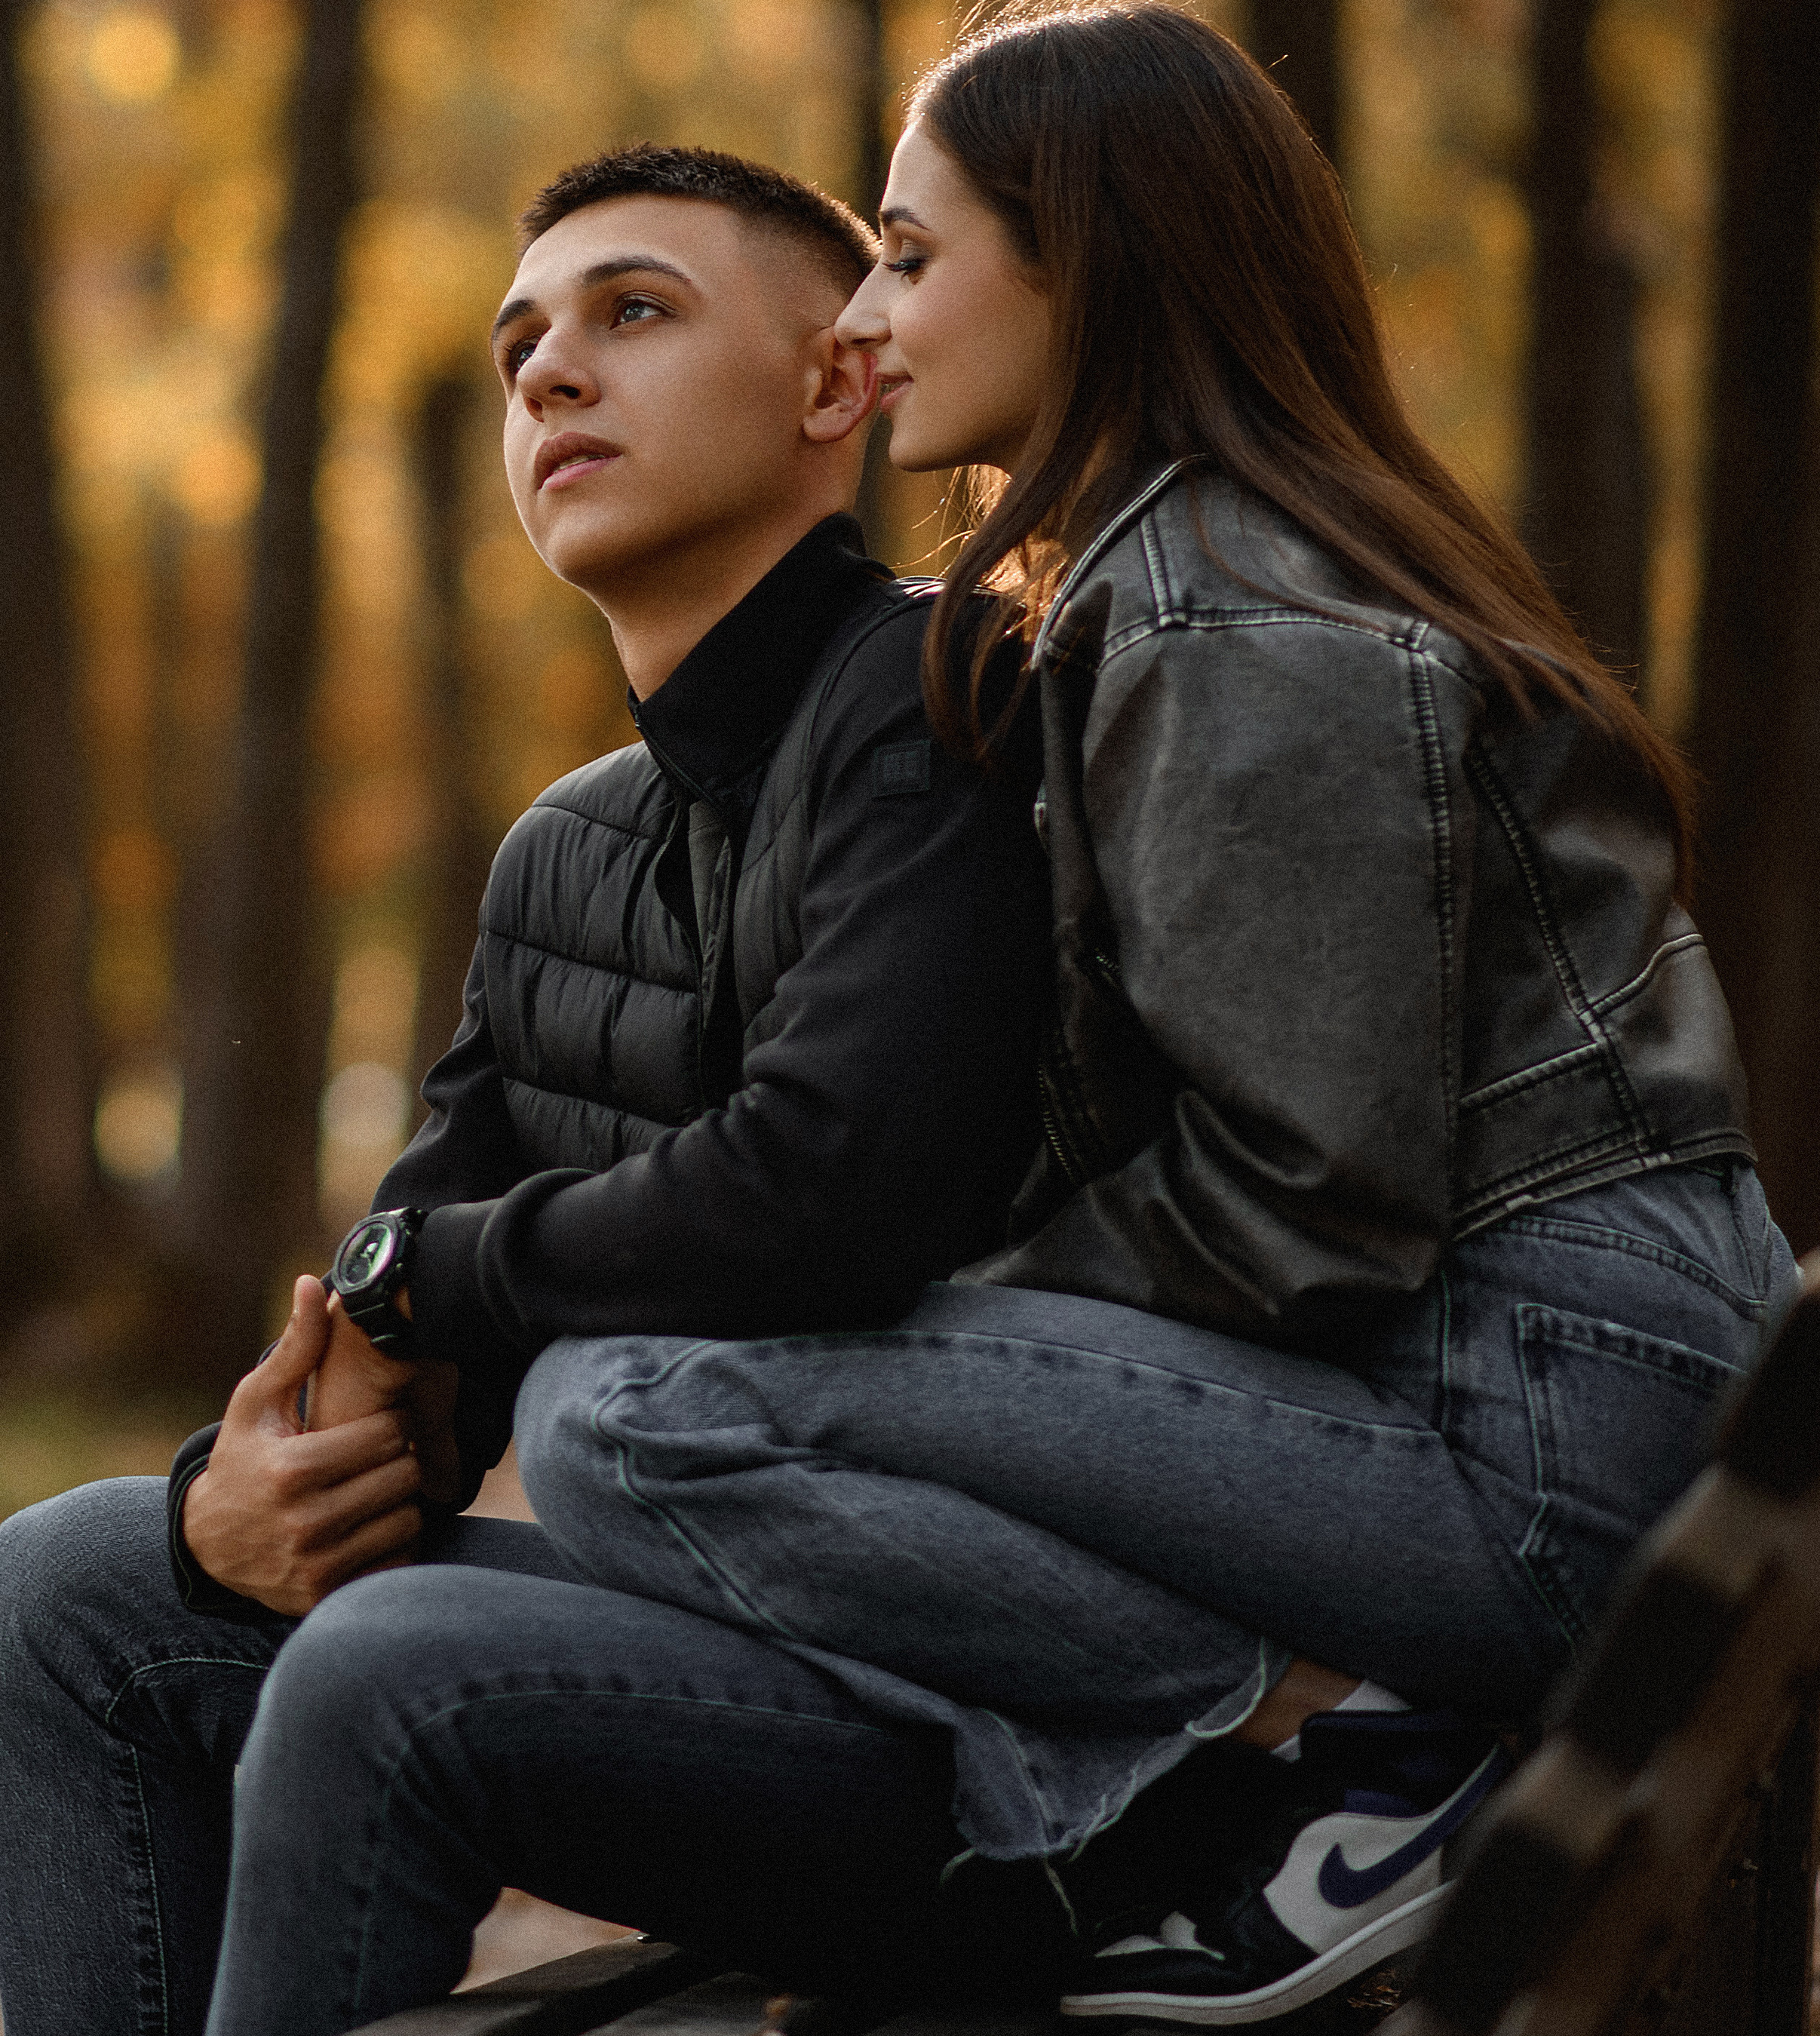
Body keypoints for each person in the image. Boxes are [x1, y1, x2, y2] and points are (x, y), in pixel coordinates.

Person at [505, 0, 1800, 2027]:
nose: (866, 311)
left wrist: (964, 1300)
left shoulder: (1225, 612)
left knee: (633, 1407)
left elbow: (1312, 1196)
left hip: (1538, 1449)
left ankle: (1332, 1753)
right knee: (663, 1393)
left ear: (1086, 262)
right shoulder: (1186, 572)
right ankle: (1301, 1763)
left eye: (912, 255)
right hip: (1556, 1408)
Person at [0, 142, 1063, 2036]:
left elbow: (835, 1186)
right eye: (519, 349)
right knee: (75, 1587)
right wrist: (247, 1499)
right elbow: (391, 1288)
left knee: (387, 1669)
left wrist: (440, 1279)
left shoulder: (938, 698)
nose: (549, 376)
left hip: (959, 1711)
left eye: (631, 315)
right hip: (656, 1648)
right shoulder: (563, 853)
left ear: (837, 385)